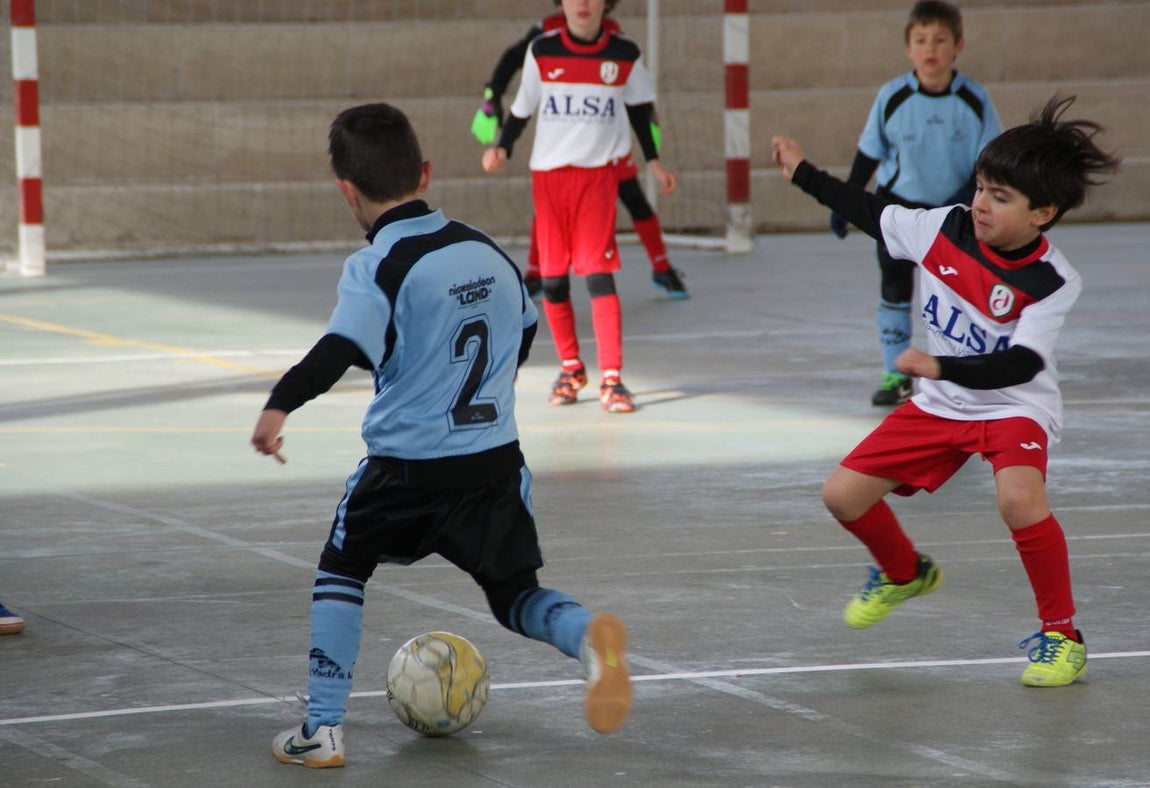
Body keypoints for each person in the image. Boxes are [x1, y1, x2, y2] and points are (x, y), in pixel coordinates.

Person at [255, 103, 632, 768]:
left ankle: (322, 728)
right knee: (515, 594)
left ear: (346, 190)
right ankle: (585, 640)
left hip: (405, 468)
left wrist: (280, 405)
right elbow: (522, 329)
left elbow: (340, 347)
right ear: (424, 172)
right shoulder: (483, 249)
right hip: (492, 462)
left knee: (342, 567)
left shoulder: (377, 265)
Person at [771, 94, 1119, 687]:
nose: (981, 204)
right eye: (981, 187)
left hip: (1013, 405)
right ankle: (905, 572)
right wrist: (804, 172)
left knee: (1017, 499)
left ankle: (1062, 636)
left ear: (1043, 213)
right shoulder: (943, 227)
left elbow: (1020, 363)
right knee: (842, 497)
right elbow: (870, 211)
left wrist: (940, 366)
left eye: (1000, 198)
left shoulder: (1052, 279)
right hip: (940, 405)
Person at [482, 0, 677, 414]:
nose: (583, 3)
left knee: (598, 275)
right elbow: (522, 109)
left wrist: (654, 161)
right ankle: (571, 368)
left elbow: (642, 112)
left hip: (597, 179)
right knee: (552, 281)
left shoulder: (624, 54)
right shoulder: (543, 50)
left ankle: (612, 378)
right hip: (550, 180)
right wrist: (503, 146)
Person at [834, 1, 1002, 406]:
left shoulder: (975, 99)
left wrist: (970, 204)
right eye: (921, 40)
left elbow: (991, 160)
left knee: (956, 294)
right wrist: (846, 201)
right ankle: (897, 374)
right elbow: (868, 154)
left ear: (957, 45)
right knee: (894, 287)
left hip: (954, 213)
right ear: (908, 48)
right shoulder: (891, 97)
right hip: (899, 210)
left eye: (940, 40)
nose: (931, 48)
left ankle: (958, 374)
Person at [471, 0, 689, 300]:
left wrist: (652, 151)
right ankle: (537, 273)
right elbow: (513, 58)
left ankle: (661, 267)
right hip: (564, 146)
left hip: (606, 141)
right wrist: (492, 98)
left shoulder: (614, 36)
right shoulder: (546, 34)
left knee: (633, 196)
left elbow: (633, 93)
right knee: (550, 208)